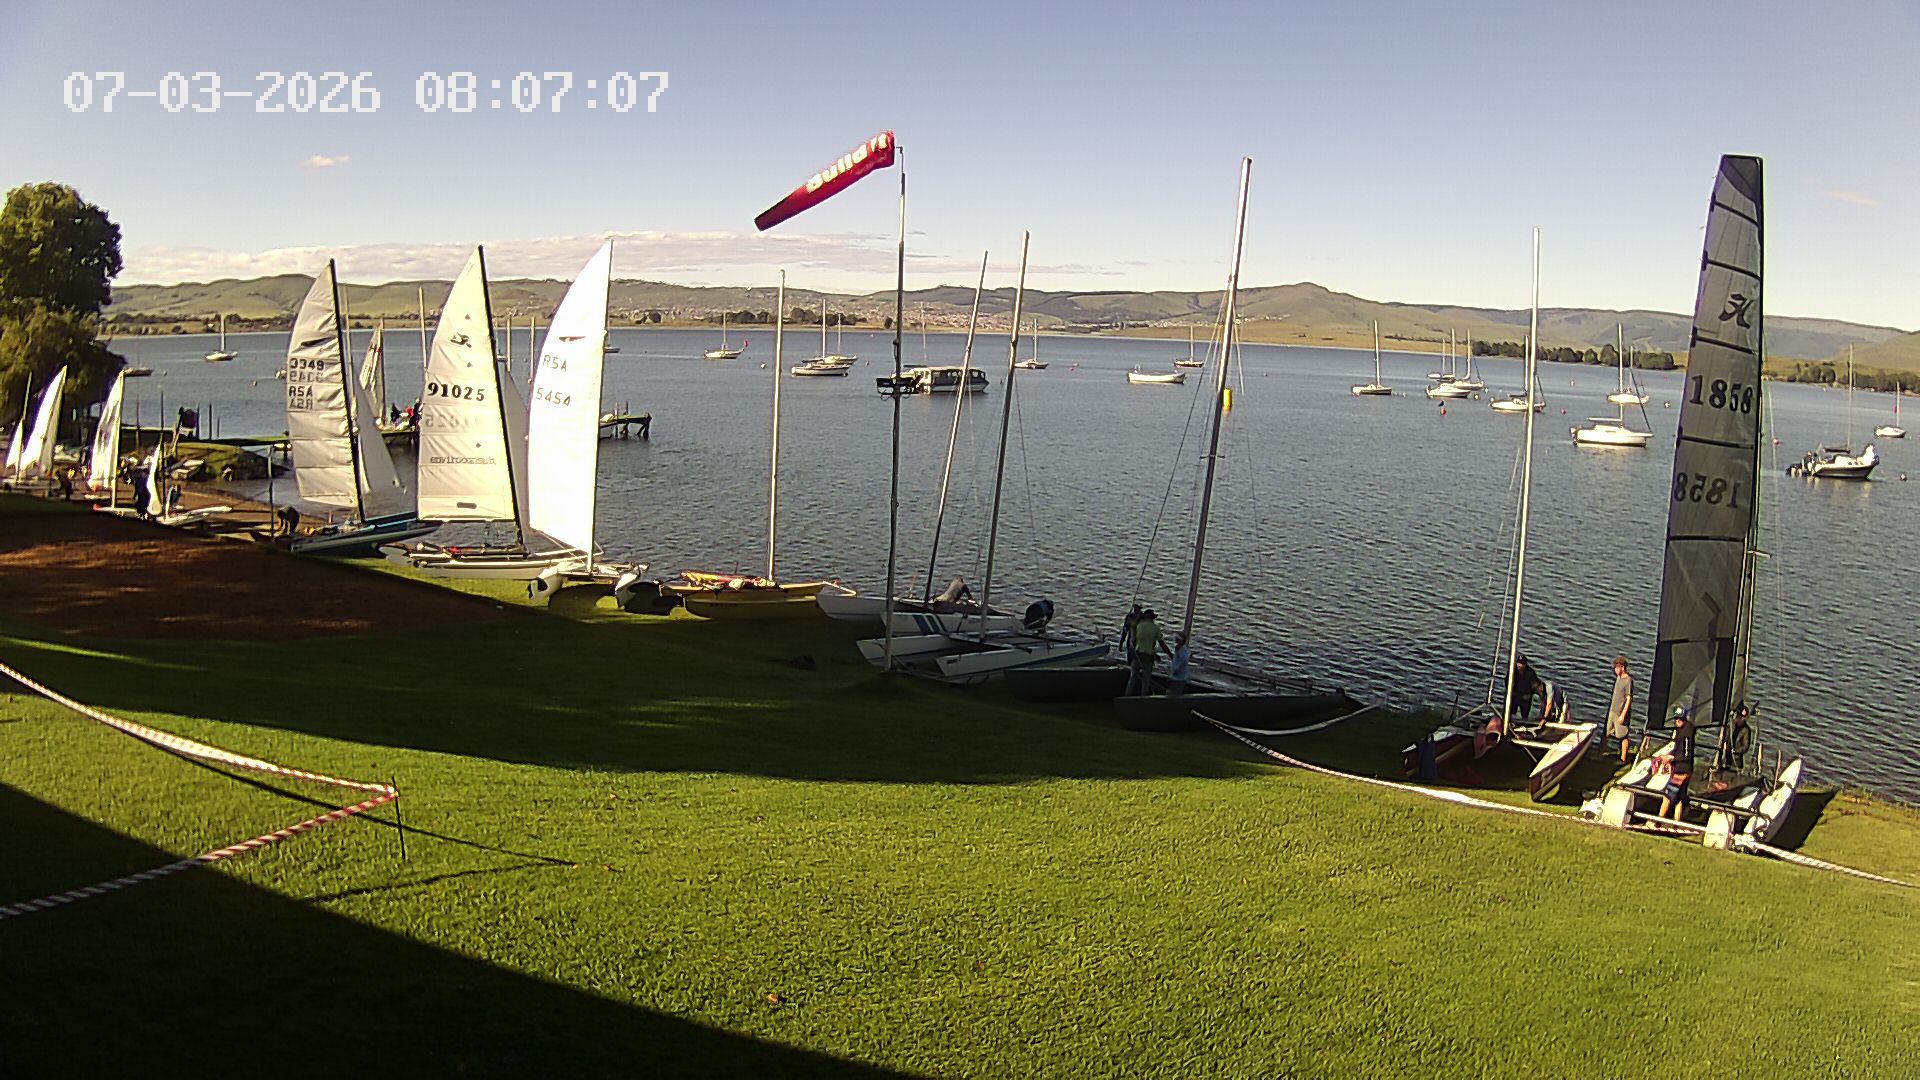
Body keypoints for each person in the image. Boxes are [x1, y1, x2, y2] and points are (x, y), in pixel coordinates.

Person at [1658, 705, 1697, 820]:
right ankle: (1676, 823)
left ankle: (1656, 822)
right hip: (1682, 768)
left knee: (1667, 796)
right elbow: (1678, 750)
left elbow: (1686, 754)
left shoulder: (1686, 733)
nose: (1678, 720)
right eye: (1676, 718)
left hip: (1683, 770)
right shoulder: (1681, 731)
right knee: (1679, 798)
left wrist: (1671, 758)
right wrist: (1668, 756)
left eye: (1681, 718)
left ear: (1685, 718)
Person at [1125, 608, 1170, 696]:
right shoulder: (1155, 628)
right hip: (1148, 657)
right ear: (1152, 618)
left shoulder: (1139, 626)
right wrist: (1170, 654)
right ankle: (1143, 699)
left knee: (1132, 678)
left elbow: (1134, 641)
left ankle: (1126, 696)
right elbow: (1162, 644)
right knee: (1146, 681)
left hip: (1137, 655)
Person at [1607, 656, 1635, 762]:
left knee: (1623, 735)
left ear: (1622, 667)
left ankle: (1623, 758)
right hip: (1613, 710)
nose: (1615, 670)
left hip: (1621, 713)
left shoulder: (1628, 681)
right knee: (1607, 732)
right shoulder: (1618, 678)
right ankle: (1601, 753)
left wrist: (1623, 715)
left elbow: (1628, 699)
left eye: (1617, 667)